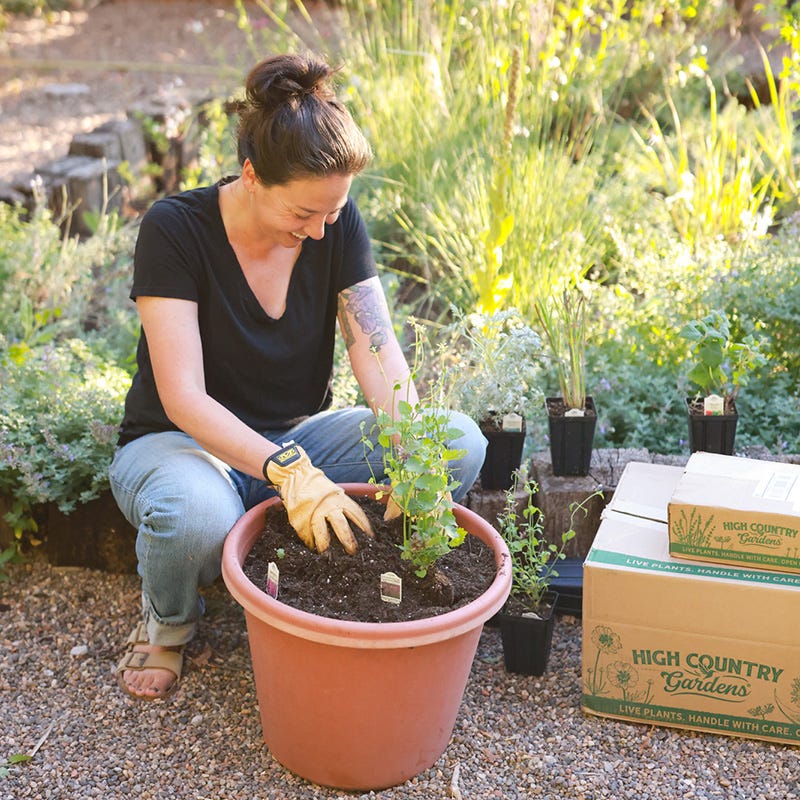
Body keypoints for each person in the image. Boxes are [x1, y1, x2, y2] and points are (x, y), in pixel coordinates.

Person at [109, 52, 486, 701]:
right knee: (193, 519)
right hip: (181, 444)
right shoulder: (175, 229)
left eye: (332, 213)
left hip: (297, 437)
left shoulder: (334, 224)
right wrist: (286, 472)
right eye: (303, 215)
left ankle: (333, 557)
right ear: (252, 175)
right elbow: (183, 397)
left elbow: (378, 348)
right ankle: (169, 624)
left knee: (456, 442)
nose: (319, 232)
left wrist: (411, 453)